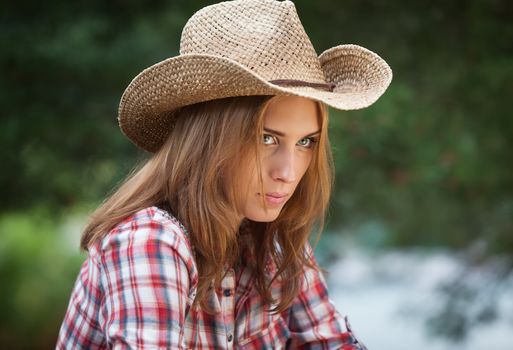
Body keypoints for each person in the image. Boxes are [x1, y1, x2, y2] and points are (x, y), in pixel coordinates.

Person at [56, 0, 392, 348]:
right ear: (210, 139)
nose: (288, 172)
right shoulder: (152, 240)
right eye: (266, 139)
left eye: (305, 142)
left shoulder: (276, 241)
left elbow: (331, 342)